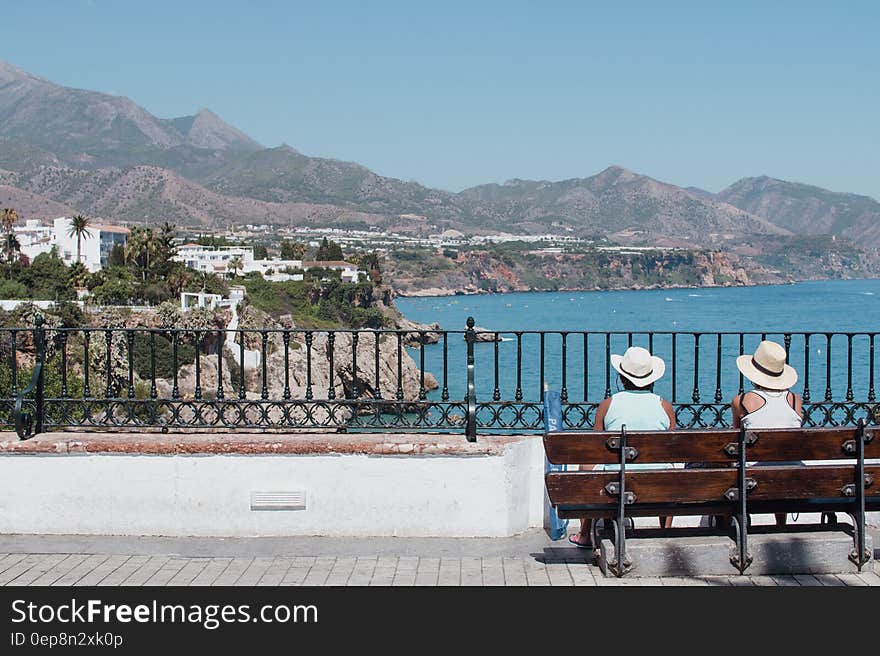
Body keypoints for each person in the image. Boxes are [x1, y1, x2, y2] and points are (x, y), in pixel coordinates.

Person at [568, 346, 676, 550]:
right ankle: (665, 531)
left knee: (586, 464)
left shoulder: (608, 404)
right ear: (651, 377)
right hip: (658, 484)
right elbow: (670, 447)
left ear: (622, 377)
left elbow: (596, 447)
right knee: (667, 468)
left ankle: (584, 534)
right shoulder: (665, 406)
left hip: (617, 481)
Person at [731, 340, 802, 526]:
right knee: (780, 462)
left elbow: (735, 439)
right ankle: (781, 524)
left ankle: (743, 522)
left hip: (754, 480)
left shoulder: (742, 401)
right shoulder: (795, 401)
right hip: (793, 478)